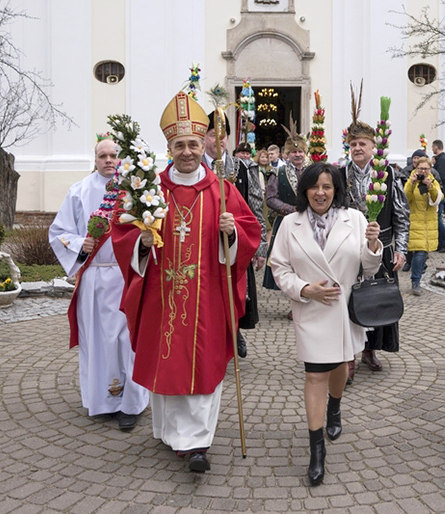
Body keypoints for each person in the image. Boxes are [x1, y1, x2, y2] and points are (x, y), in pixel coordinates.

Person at [111, 91, 261, 472]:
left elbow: (249, 234)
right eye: (180, 145)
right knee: (167, 364)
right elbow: (120, 230)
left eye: (194, 143)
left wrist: (232, 234)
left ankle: (197, 444)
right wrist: (141, 242)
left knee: (203, 367)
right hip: (163, 295)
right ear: (169, 147)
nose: (188, 151)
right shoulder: (148, 192)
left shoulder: (222, 191)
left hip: (207, 296)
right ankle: (169, 432)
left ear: (204, 144)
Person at [268, 162, 383, 486]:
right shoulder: (290, 224)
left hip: (344, 310)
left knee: (340, 370)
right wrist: (305, 289)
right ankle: (316, 449)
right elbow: (280, 268)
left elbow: (369, 267)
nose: (321, 192)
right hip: (312, 312)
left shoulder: (355, 219)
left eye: (327, 186)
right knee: (315, 374)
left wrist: (373, 245)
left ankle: (335, 407)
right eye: (315, 186)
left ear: (336, 190)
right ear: (305, 189)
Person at [48, 136, 150, 431]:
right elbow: (59, 232)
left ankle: (131, 404)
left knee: (125, 342)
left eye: (113, 155)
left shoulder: (134, 191)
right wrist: (83, 243)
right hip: (93, 276)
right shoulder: (78, 191)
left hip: (124, 275)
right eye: (102, 155)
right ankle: (103, 401)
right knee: (97, 341)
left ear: (121, 159)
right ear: (94, 159)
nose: (108, 160)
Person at [339, 90, 409, 379]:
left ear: (373, 146)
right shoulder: (339, 175)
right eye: (353, 143)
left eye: (363, 143)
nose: (357, 148)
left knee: (377, 300)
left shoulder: (389, 175)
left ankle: (371, 349)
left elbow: (402, 215)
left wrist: (401, 249)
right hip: (348, 249)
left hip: (382, 247)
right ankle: (349, 355)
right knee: (349, 300)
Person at [231, 143, 269, 358]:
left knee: (237, 292)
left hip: (238, 239)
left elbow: (255, 207)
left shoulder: (243, 169)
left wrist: (260, 246)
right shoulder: (195, 167)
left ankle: (235, 331)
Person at [263, 124, 308, 293]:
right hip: (286, 223)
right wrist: (291, 209)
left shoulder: (313, 171)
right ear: (287, 155)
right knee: (288, 261)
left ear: (305, 153)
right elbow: (271, 199)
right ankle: (293, 297)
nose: (297, 154)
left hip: (310, 222)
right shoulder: (277, 172)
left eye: (300, 152)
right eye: (293, 152)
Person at [404, 157, 443, 295]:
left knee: (422, 253)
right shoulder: (411, 181)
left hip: (429, 224)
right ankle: (416, 281)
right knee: (419, 253)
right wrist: (412, 183)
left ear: (430, 169)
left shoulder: (433, 181)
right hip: (416, 222)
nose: (423, 171)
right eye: (421, 168)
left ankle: (416, 277)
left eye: (426, 169)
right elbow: (405, 198)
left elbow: (438, 198)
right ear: (416, 168)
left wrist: (430, 186)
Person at [432, 139, 445, 252]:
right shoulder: (441, 159)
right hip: (443, 191)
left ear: (436, 147)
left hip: (442, 191)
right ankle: (440, 243)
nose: (432, 149)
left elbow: (439, 176)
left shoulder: (442, 160)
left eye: (433, 146)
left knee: (436, 218)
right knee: (437, 217)